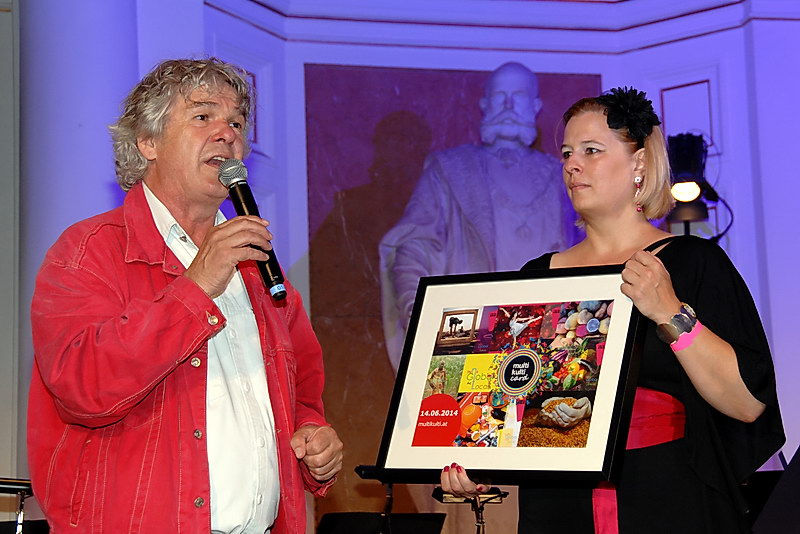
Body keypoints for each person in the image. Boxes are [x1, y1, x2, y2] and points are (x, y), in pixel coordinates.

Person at [441, 87, 784, 533]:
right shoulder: (537, 277)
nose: (572, 164)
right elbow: (505, 402)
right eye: (567, 153)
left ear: (638, 164)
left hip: (667, 495)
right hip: (559, 504)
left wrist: (670, 312)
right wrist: (479, 462)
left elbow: (748, 404)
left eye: (591, 150)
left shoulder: (693, 263)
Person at [28, 58, 343, 534]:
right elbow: (83, 388)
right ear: (147, 142)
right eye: (202, 115)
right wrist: (197, 286)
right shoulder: (88, 251)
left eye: (236, 122)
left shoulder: (263, 273)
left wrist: (315, 441)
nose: (227, 133)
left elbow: (302, 399)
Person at [379, 62, 578, 371]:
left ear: (535, 106)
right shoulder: (451, 169)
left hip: (551, 333)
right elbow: (414, 247)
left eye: (519, 96)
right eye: (500, 96)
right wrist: (417, 315)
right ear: (484, 104)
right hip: (474, 333)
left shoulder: (562, 177)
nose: (508, 106)